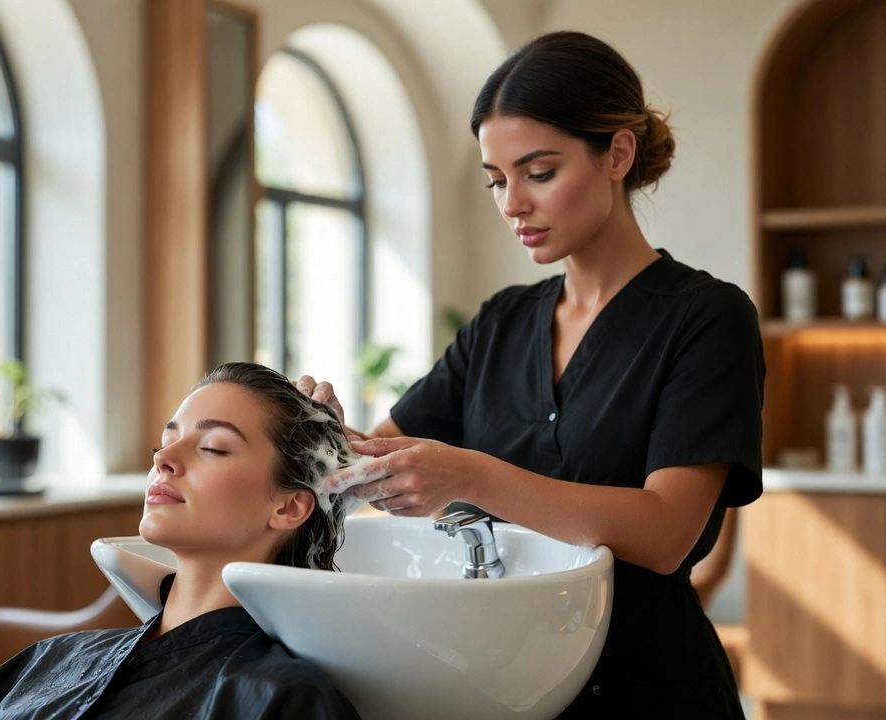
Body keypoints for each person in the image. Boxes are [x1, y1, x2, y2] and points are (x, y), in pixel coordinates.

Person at [300, 30, 764, 718]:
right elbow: (383, 459)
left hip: (650, 691)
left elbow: (667, 533)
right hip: (501, 685)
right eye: (496, 180)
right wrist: (318, 436)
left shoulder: (706, 318)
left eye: (538, 173)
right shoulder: (501, 323)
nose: (512, 203)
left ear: (618, 153)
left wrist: (471, 475)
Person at [0, 362, 362, 720]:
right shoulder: (57, 657)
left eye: (213, 447)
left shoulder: (282, 699)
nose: (162, 459)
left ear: (289, 508)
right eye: (168, 440)